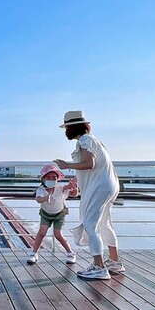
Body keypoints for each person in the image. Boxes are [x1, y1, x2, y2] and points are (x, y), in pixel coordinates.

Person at [54, 110, 122, 280]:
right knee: (105, 224)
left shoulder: (84, 140)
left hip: (99, 187)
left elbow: (89, 164)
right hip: (110, 185)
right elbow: (93, 166)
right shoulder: (94, 140)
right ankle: (114, 262)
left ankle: (99, 267)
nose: (65, 131)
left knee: (90, 225)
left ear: (72, 127)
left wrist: (66, 165)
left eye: (66, 128)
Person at [26, 163, 79, 265]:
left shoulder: (60, 188)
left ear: (57, 179)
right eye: (49, 177)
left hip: (59, 215)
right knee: (41, 233)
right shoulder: (41, 190)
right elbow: (38, 199)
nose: (51, 179)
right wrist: (46, 197)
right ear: (43, 179)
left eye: (54, 177)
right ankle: (34, 253)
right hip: (46, 214)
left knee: (58, 234)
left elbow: (73, 194)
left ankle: (70, 253)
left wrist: (75, 188)